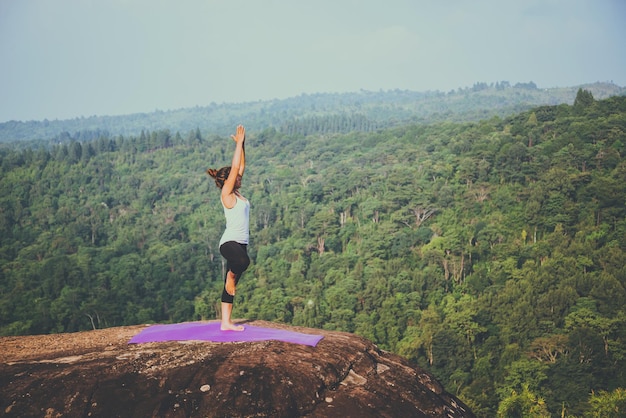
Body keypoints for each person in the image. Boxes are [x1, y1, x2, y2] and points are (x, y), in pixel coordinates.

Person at [206, 124, 250, 331]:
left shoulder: (239, 195)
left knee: (231, 284)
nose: (240, 176)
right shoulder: (227, 194)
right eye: (236, 178)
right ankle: (231, 276)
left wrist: (243, 146)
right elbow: (235, 169)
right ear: (228, 182)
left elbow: (240, 167)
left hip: (241, 243)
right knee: (241, 263)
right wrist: (238, 144)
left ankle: (226, 323)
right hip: (229, 243)